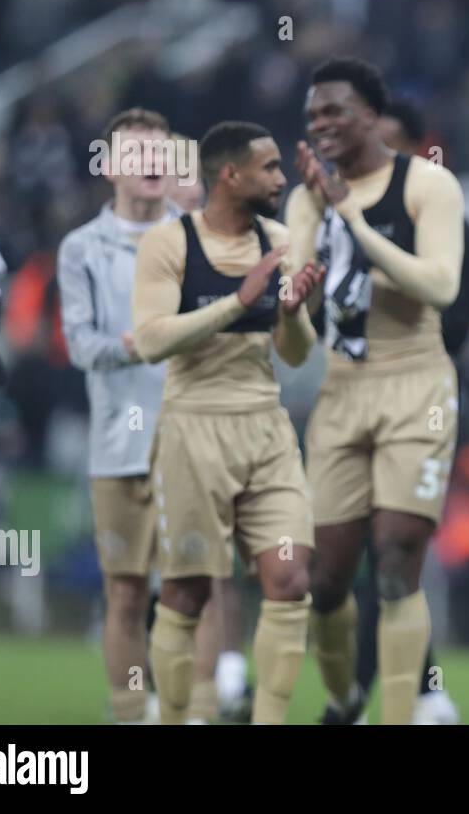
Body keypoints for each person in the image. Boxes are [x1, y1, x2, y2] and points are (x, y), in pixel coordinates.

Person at [287, 59, 464, 725]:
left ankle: (400, 713)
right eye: (313, 116)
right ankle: (344, 698)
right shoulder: (304, 200)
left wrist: (354, 224)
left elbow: (441, 286)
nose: (321, 125)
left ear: (370, 115)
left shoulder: (427, 184)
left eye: (334, 111)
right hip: (341, 386)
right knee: (325, 580)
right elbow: (296, 341)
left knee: (396, 556)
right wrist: (290, 307)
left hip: (416, 381)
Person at [135, 120, 324, 724]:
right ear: (230, 175)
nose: (281, 179)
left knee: (289, 578)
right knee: (187, 591)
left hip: (264, 426)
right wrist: (237, 302)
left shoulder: (280, 240)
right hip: (193, 426)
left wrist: (290, 314)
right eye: (269, 168)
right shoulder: (168, 244)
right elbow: (151, 340)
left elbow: (296, 352)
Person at [58, 108, 183, 723]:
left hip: (192, 440)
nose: (152, 162)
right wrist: (138, 344)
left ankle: (189, 710)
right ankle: (131, 712)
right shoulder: (81, 248)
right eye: (136, 154)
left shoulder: (198, 237)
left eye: (160, 151)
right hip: (119, 444)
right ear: (109, 168)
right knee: (127, 592)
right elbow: (80, 345)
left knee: (192, 591)